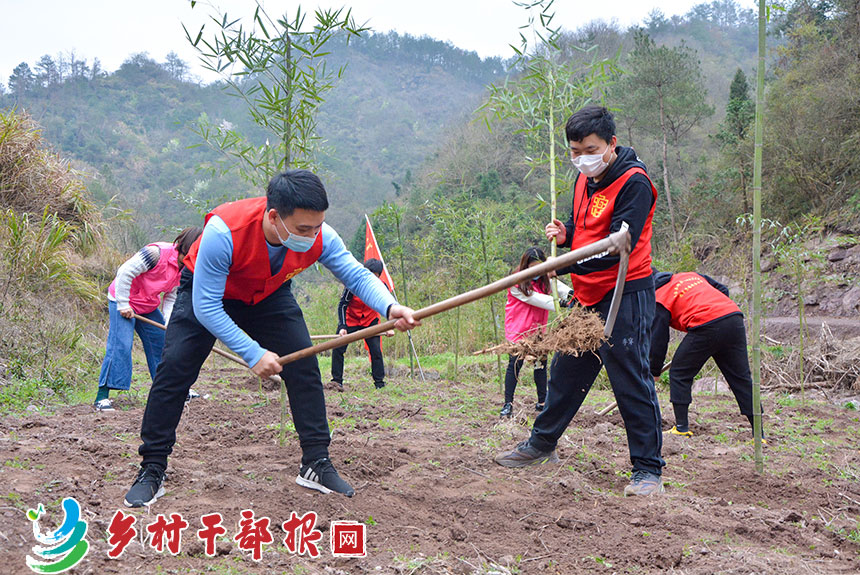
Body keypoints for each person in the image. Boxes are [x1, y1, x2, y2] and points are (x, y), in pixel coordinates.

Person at [122, 170, 418, 508]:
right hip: (209, 295)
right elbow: (206, 306)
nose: (312, 235)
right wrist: (253, 353)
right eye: (304, 229)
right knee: (174, 369)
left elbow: (355, 274)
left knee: (304, 365)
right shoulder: (225, 233)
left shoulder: (321, 235)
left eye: (317, 226)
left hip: (269, 295)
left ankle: (316, 463)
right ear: (274, 216)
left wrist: (390, 306)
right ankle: (153, 467)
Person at [494, 105, 665, 497]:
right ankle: (541, 445)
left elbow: (618, 246)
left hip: (624, 293)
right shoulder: (582, 179)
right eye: (573, 151)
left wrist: (564, 268)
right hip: (587, 297)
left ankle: (648, 470)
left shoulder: (634, 183)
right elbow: (587, 229)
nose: (580, 158)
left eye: (589, 149)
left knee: (630, 379)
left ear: (611, 145)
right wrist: (566, 232)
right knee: (565, 374)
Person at [94, 227, 203, 412]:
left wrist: (168, 323)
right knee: (121, 344)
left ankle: (174, 391)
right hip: (123, 299)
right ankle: (102, 396)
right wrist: (123, 304)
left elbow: (171, 297)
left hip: (148, 305)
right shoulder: (155, 253)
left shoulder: (186, 268)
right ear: (187, 246)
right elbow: (125, 272)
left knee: (163, 346)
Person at [651, 270, 761, 438]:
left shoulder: (659, 297)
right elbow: (722, 289)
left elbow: (658, 338)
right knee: (741, 378)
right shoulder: (691, 275)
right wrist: (715, 311)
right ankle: (759, 435)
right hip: (732, 317)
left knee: (679, 373)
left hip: (706, 325)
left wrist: (654, 371)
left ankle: (681, 428)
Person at [500, 247, 572, 418]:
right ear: (526, 266)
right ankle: (508, 404)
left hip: (537, 328)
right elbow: (536, 299)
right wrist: (562, 304)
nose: (537, 272)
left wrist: (572, 295)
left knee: (541, 363)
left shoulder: (544, 277)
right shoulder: (516, 282)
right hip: (518, 328)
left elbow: (558, 286)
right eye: (533, 267)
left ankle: (542, 401)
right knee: (515, 364)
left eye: (539, 267)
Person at [330, 258, 394, 391]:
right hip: (351, 320)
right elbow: (343, 304)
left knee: (376, 351)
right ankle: (336, 381)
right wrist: (342, 326)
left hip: (370, 321)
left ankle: (379, 383)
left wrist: (389, 326)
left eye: (375, 276)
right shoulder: (352, 285)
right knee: (338, 348)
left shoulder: (382, 287)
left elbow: (388, 306)